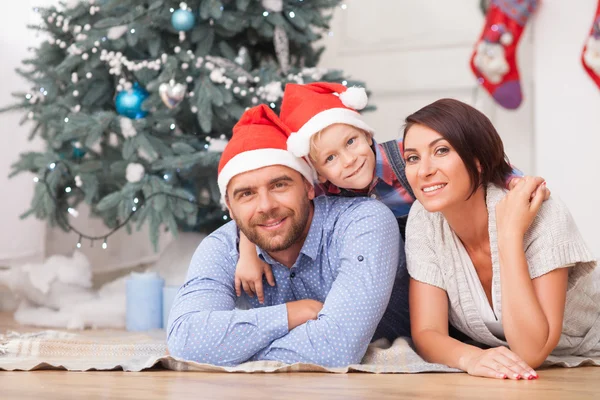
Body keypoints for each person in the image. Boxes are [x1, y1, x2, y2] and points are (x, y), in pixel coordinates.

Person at [234, 82, 526, 304]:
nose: (349, 160)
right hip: (398, 273)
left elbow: (474, 158)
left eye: (351, 142)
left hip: (446, 249)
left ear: (367, 135)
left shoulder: (406, 155)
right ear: (319, 174)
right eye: (331, 158)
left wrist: (514, 181)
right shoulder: (323, 191)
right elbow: (270, 207)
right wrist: (247, 255)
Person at [166, 104, 411, 367]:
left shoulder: (365, 220)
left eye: (279, 185)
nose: (266, 206)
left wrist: (227, 352)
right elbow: (185, 340)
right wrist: (291, 314)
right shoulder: (223, 246)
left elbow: (337, 349)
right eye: (246, 194)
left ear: (309, 187)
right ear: (230, 208)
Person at [403, 98, 598, 380]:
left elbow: (531, 351)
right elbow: (427, 332)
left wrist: (508, 236)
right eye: (413, 158)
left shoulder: (543, 212)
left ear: (478, 160)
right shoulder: (423, 218)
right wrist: (471, 358)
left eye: (441, 151)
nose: (424, 171)